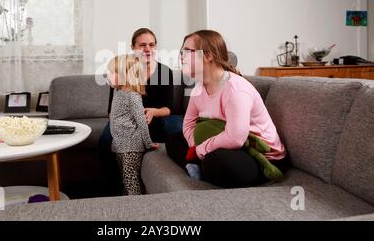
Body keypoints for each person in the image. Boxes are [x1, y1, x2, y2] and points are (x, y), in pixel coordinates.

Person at [165, 30, 288, 188]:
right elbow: (188, 123)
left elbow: (236, 138)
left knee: (216, 161)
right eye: (182, 52)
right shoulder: (199, 88)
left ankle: (198, 164)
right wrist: (195, 145)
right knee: (172, 140)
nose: (181, 56)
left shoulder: (236, 90)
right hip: (225, 143)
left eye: (187, 51)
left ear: (208, 56)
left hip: (261, 156)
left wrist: (200, 149)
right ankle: (198, 165)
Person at [98, 28, 183, 194]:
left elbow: (168, 108)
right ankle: (112, 188)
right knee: (105, 140)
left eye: (152, 45)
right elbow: (111, 111)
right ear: (133, 47)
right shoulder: (123, 70)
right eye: (142, 45)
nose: (147, 49)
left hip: (156, 118)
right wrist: (129, 121)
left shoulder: (164, 71)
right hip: (128, 121)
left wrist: (152, 112)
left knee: (177, 128)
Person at [107, 54, 159, 195]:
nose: (108, 76)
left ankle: (137, 209)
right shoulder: (118, 91)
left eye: (112, 73)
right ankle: (127, 206)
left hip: (131, 146)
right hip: (119, 144)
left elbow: (141, 121)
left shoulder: (133, 96)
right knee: (125, 180)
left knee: (131, 181)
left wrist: (148, 143)